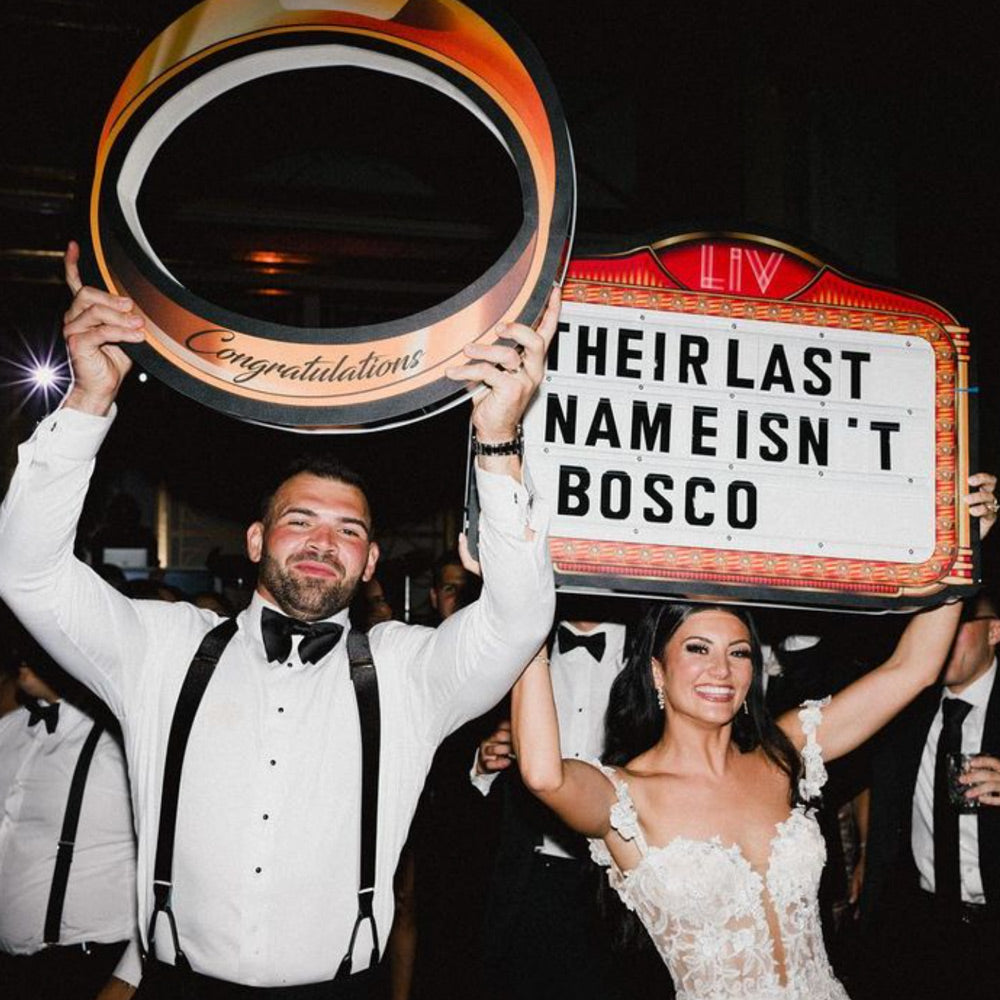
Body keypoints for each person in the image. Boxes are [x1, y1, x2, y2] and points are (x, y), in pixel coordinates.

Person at [0, 243, 558, 998]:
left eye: (349, 531)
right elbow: (25, 571)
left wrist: (497, 442)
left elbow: (520, 620)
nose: (324, 541)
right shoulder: (162, 650)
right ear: (257, 540)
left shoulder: (404, 672)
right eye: (300, 520)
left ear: (368, 566)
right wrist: (88, 400)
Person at [510, 578, 987, 998]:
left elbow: (913, 668)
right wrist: (525, 619)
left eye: (738, 652)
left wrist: (958, 553)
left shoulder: (783, 754)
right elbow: (543, 774)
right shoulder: (624, 797)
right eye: (698, 649)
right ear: (657, 670)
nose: (721, 670)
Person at [472, 619, 649, 1000]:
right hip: (530, 875)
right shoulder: (518, 639)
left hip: (617, 881)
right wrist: (483, 762)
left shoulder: (649, 648)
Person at [856, 580, 1000, 1000]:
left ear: (995, 631)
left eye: (961, 620)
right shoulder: (903, 708)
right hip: (920, 923)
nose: (945, 631)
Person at [0, 632, 140, 1000]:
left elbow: (171, 871)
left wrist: (129, 978)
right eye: (23, 642)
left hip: (89, 969)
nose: (25, 652)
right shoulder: (6, 731)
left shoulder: (123, 742)